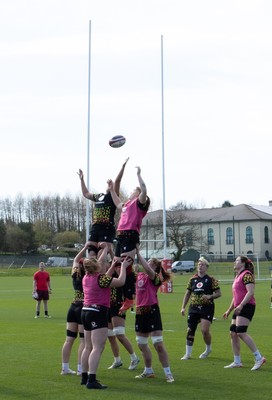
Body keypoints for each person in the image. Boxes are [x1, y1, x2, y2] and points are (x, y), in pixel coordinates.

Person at [80, 245, 131, 390]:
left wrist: (113, 264)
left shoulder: (86, 277)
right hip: (98, 312)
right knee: (98, 347)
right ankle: (92, 379)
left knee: (88, 346)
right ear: (97, 267)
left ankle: (84, 376)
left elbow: (104, 279)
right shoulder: (100, 278)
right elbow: (120, 281)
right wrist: (123, 267)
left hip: (85, 311)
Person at [107, 166, 150, 312]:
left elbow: (144, 190)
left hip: (130, 235)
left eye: (134, 190)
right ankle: (125, 296)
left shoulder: (139, 202)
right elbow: (117, 202)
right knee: (118, 266)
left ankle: (130, 297)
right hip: (120, 236)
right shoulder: (126, 205)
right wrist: (112, 189)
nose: (131, 191)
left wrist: (139, 174)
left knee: (127, 264)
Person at [133, 246, 174, 383]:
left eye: (150, 261)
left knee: (158, 343)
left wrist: (138, 253)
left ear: (155, 266)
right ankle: (148, 370)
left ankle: (168, 373)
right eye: (148, 260)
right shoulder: (139, 276)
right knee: (141, 343)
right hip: (140, 312)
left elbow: (148, 269)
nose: (147, 262)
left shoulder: (155, 277)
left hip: (151, 311)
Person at [78, 158, 129, 257]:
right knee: (91, 255)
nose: (111, 184)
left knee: (101, 255)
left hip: (106, 228)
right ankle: (92, 273)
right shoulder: (99, 196)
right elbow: (86, 193)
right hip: (95, 227)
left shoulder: (113, 196)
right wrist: (82, 179)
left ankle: (103, 271)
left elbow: (118, 181)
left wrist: (122, 168)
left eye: (112, 185)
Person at [223, 256, 266, 370]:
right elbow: (236, 296)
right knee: (233, 333)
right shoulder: (237, 276)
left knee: (241, 332)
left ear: (243, 263)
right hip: (239, 307)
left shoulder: (247, 274)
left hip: (247, 306)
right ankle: (237, 361)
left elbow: (250, 292)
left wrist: (241, 305)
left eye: (237, 260)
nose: (234, 262)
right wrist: (229, 310)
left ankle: (259, 358)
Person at [180, 257, 221, 360]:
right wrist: (183, 307)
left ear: (206, 267)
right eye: (199, 264)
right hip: (193, 308)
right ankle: (188, 354)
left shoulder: (211, 279)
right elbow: (188, 293)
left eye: (202, 264)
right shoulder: (192, 279)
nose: (200, 266)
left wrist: (209, 296)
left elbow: (218, 293)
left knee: (204, 330)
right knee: (190, 330)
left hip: (207, 308)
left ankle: (208, 349)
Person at [61, 242, 88, 375]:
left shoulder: (75, 275)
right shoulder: (89, 277)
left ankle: (65, 368)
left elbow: (76, 259)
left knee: (69, 339)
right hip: (83, 308)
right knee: (83, 340)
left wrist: (85, 248)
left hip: (73, 307)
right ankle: (80, 369)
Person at [107, 262, 140, 371]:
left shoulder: (127, 277)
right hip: (108, 307)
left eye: (120, 267)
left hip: (118, 306)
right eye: (116, 267)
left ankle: (134, 357)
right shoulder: (111, 276)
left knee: (119, 333)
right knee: (110, 335)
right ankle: (117, 360)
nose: (118, 269)